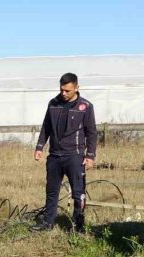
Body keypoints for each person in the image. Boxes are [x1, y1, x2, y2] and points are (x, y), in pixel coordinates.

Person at [33, 73, 97, 233]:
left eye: (67, 90)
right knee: (51, 191)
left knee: (78, 193)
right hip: (55, 156)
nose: (64, 93)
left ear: (76, 88)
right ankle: (48, 223)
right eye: (62, 90)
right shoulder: (53, 104)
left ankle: (78, 225)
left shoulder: (85, 106)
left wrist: (90, 156)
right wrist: (40, 146)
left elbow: (92, 133)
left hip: (74, 156)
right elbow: (46, 126)